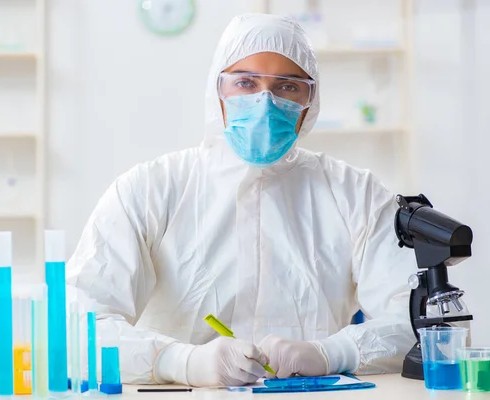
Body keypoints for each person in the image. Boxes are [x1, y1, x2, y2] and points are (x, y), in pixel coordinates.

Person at [66, 13, 417, 387]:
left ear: (310, 100)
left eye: (287, 87)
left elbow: (420, 323)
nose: (265, 104)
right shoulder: (149, 189)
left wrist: (331, 353)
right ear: (217, 90)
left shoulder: (356, 194)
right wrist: (180, 361)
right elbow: (76, 327)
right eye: (246, 83)